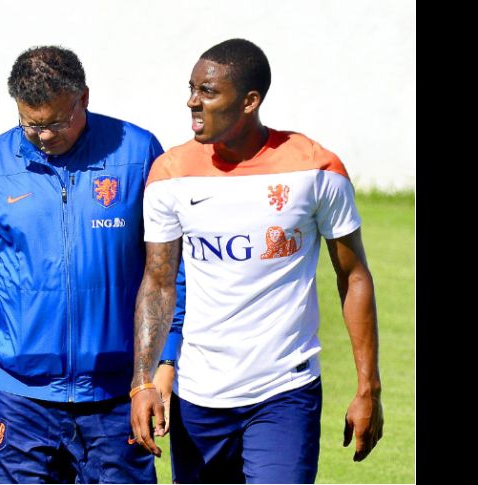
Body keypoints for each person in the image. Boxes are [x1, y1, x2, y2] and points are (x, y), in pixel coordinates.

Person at [129, 38, 384, 484]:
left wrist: (369, 388)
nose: (193, 101)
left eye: (208, 92)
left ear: (250, 101)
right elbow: (158, 283)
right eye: (191, 88)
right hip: (198, 396)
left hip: (284, 391)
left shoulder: (316, 170)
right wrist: (144, 381)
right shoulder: (170, 174)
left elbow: (354, 276)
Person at [0, 45, 181, 484]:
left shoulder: (137, 154)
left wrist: (164, 363)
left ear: (83, 98)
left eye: (55, 122)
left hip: (116, 395)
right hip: (18, 398)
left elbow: (167, 271)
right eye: (31, 124)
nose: (45, 136)